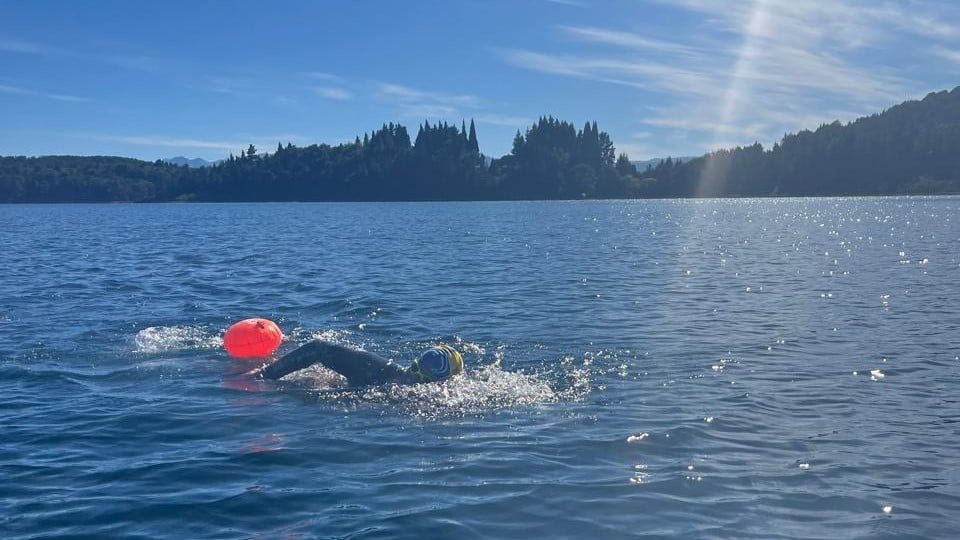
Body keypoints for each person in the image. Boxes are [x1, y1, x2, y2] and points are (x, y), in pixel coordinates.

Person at [250, 340, 464, 387]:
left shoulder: (380, 372)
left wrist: (261, 376)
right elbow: (317, 349)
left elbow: (316, 348)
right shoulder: (380, 373)